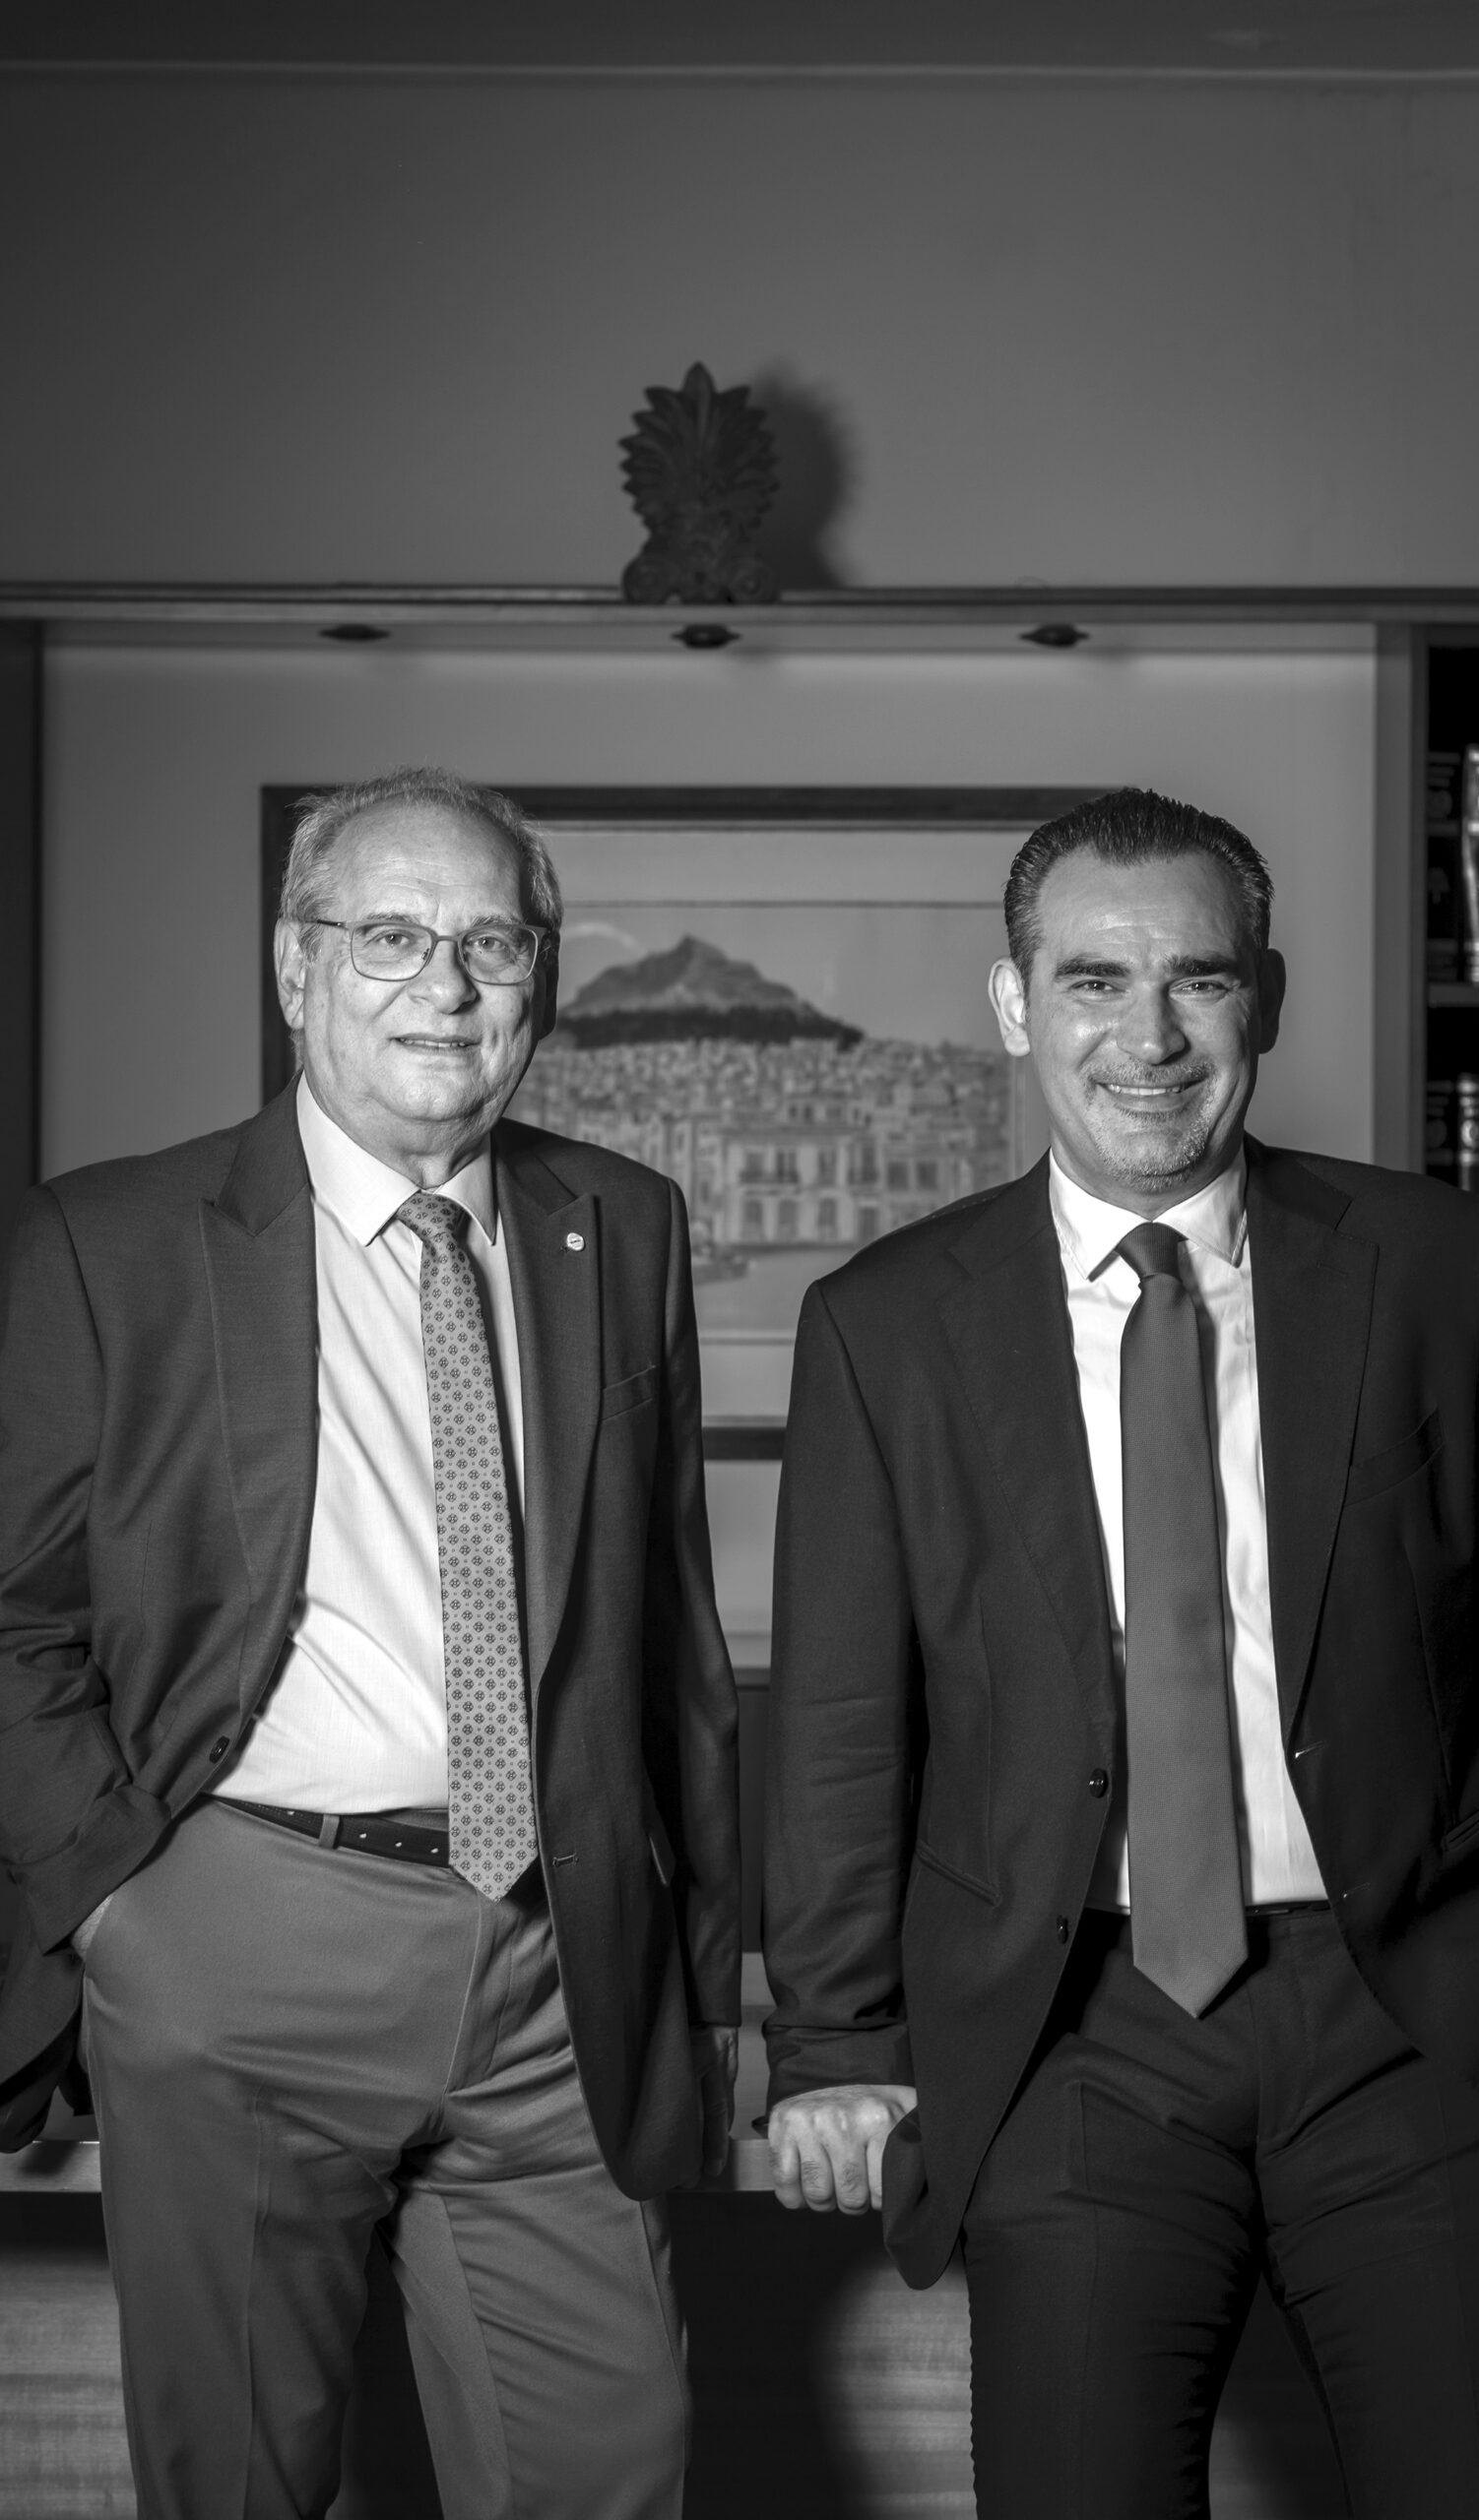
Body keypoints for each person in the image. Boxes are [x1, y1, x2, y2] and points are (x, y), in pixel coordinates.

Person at [762, 787, 1479, 2518]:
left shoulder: (1436, 1268)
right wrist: (831, 2045)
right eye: (1094, 981)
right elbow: (837, 1724)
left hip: (1423, 2011)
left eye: (1198, 978)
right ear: (1015, 1005)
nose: (1151, 1036)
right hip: (1073, 2033)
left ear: (1265, 996)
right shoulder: (885, 1326)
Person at [0, 768, 740, 2520]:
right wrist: (121, 1908)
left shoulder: (621, 1220)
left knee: (610, 2469)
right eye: (392, 938)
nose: (448, 986)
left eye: (493, 941)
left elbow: (668, 1640)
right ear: (295, 967)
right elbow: (14, 1614)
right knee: (248, 2483)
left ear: (543, 975)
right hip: (245, 1932)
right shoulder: (111, 1239)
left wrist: (705, 1974)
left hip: (559, 1957)